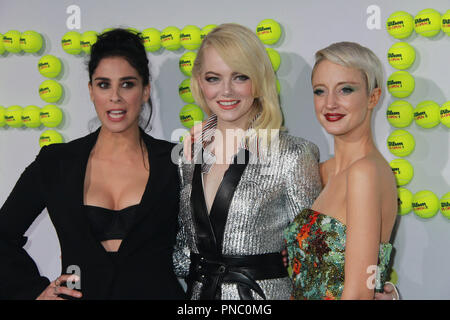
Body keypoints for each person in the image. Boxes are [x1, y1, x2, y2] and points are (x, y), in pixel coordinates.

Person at [0, 29, 185, 299]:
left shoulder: (177, 161)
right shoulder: (56, 162)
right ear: (90, 90)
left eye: (127, 84)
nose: (115, 97)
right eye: (103, 84)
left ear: (145, 91)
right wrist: (34, 291)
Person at [173, 23, 323, 300]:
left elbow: (314, 257)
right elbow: (183, 253)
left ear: (259, 81)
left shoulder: (292, 154)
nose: (226, 91)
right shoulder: (188, 155)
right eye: (213, 78)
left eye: (240, 77)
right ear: (198, 82)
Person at [284, 42, 398, 300]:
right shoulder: (322, 170)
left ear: (373, 97)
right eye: (320, 91)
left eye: (346, 89)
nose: (330, 103)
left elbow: (358, 293)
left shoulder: (365, 173)